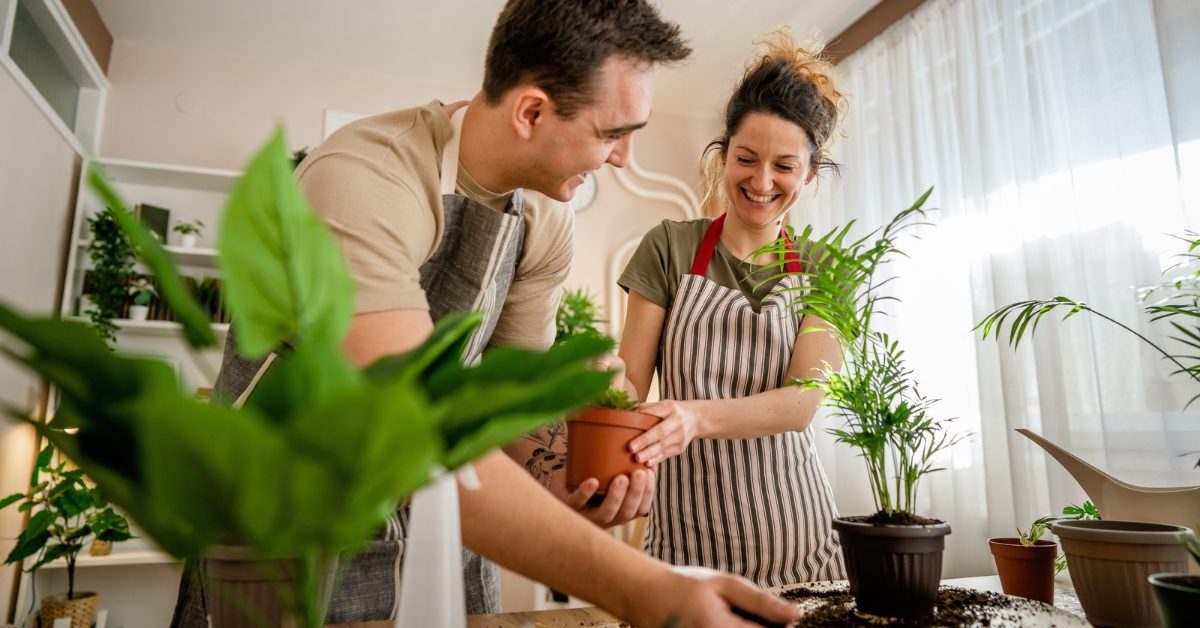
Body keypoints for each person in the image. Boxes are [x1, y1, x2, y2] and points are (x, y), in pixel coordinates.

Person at [172, 1, 802, 626]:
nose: (622, 159)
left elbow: (504, 418)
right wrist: (643, 589)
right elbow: (417, 438)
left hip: (440, 531)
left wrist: (574, 479)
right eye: (613, 133)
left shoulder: (545, 217)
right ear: (531, 111)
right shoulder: (363, 177)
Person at [613, 28, 849, 587]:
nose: (761, 182)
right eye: (746, 158)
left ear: (810, 173)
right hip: (685, 550)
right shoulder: (669, 247)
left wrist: (693, 417)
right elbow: (627, 385)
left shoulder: (826, 268)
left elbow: (800, 403)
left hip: (803, 547)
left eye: (785, 166)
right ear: (723, 155)